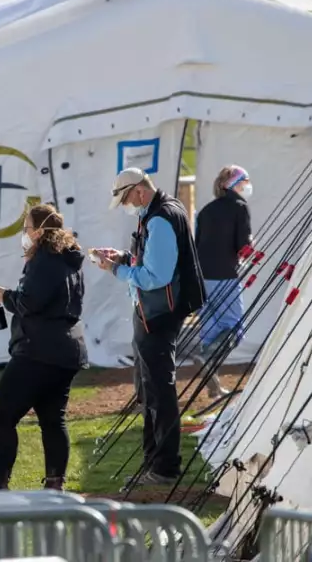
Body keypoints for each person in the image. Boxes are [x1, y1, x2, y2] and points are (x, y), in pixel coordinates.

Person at [92, 168, 205, 486]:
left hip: (158, 314)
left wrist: (116, 270)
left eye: (126, 198)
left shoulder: (159, 218)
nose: (127, 205)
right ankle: (154, 463)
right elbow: (151, 262)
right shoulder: (161, 211)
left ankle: (165, 468)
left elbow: (157, 276)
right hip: (152, 312)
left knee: (158, 390)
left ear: (140, 191)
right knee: (149, 389)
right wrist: (126, 258)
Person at [0, 204, 88, 491]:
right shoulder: (69, 260)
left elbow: (30, 302)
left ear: (40, 231)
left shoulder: (44, 259)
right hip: (68, 350)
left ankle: (0, 483)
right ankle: (55, 485)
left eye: (27, 228)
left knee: (2, 414)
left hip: (38, 350)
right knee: (53, 419)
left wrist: (6, 296)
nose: (24, 234)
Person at [193, 165, 254, 398]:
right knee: (234, 329)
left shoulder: (206, 211)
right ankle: (208, 359)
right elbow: (244, 246)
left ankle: (214, 386)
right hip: (225, 276)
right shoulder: (239, 206)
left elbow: (197, 243)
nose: (248, 186)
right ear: (235, 184)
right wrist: (251, 248)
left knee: (210, 332)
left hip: (202, 277)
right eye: (245, 181)